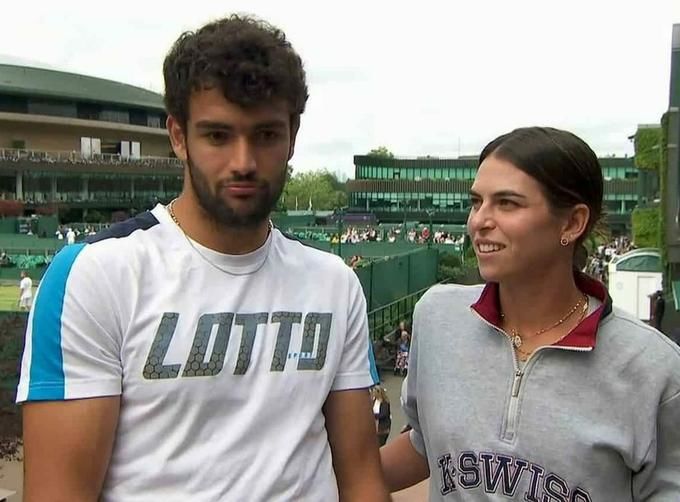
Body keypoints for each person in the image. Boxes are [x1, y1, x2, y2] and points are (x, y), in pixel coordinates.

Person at [17, 15, 389, 502]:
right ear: (178, 136)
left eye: (266, 136)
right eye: (217, 135)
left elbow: (361, 477)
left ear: (292, 137)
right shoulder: (96, 274)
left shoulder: (334, 284)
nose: (243, 161)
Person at [381, 127, 680, 501]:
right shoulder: (437, 316)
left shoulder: (655, 370)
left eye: (507, 203)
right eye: (477, 202)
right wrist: (323, 473)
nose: (479, 221)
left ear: (572, 223)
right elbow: (425, 446)